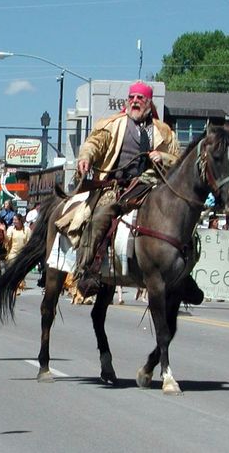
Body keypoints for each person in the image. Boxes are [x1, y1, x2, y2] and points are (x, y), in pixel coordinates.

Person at [71, 80, 181, 296]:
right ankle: (87, 269)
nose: (135, 102)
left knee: (180, 216)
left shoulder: (163, 131)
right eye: (132, 98)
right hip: (117, 185)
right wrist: (85, 157)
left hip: (152, 185)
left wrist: (163, 157)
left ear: (149, 103)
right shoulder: (113, 124)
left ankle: (183, 273)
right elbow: (94, 143)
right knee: (99, 217)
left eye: (140, 98)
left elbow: (179, 160)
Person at [5, 213, 31, 294]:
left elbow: (29, 242)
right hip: (13, 252)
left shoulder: (27, 230)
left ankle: (18, 285)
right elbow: (7, 240)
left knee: (20, 271)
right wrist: (3, 231)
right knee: (13, 269)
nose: (14, 221)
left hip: (22, 253)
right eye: (13, 220)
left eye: (15, 220)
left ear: (20, 221)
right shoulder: (11, 229)